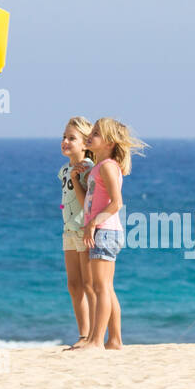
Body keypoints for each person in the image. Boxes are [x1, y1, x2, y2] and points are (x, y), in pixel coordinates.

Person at [81, 117, 147, 351]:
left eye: (96, 133)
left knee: (101, 288)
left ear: (109, 143)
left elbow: (116, 203)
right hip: (104, 231)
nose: (90, 135)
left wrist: (92, 224)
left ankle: (96, 341)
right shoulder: (100, 167)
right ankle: (114, 340)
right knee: (106, 287)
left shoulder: (108, 166)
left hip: (105, 231)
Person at [58, 117, 97, 349]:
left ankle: (93, 335)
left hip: (85, 230)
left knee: (89, 284)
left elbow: (88, 203)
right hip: (69, 230)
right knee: (73, 285)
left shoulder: (88, 168)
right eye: (64, 137)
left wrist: (77, 177)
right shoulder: (63, 170)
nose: (65, 141)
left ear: (85, 144)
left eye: (71, 138)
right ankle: (83, 334)